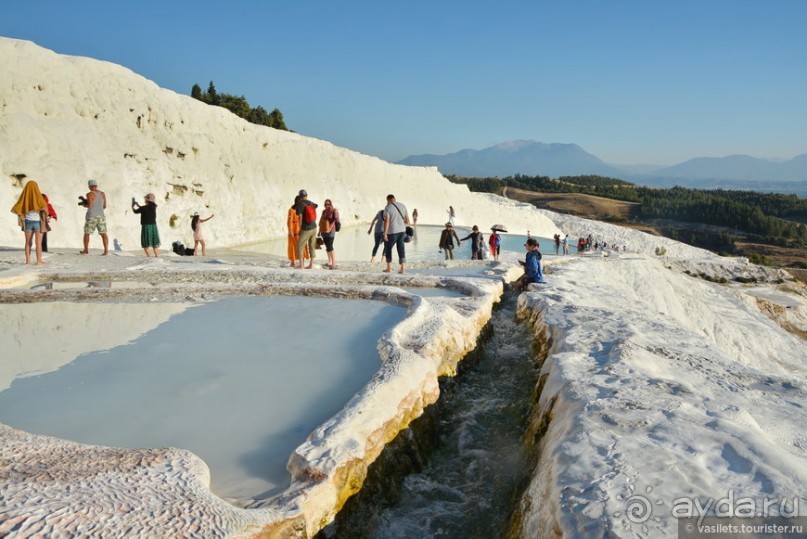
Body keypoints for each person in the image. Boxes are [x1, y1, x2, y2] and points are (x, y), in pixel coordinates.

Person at [11, 180, 48, 265]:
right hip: (38, 222)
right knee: (38, 243)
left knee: (28, 242)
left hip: (28, 222)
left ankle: (28, 261)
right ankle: (39, 261)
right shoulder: (39, 198)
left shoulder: (24, 198)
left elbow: (17, 209)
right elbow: (46, 211)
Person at [382, 193, 410, 274]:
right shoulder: (403, 206)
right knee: (401, 249)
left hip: (392, 232)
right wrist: (401, 225)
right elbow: (408, 221)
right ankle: (403, 269)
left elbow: (386, 221)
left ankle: (389, 268)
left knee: (388, 248)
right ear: (395, 199)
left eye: (387, 201)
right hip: (402, 231)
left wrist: (385, 233)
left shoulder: (388, 207)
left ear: (388, 200)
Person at [80, 179, 109, 255]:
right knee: (103, 233)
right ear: (96, 186)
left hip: (92, 216)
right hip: (101, 216)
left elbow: (90, 205)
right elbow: (105, 206)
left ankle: (86, 250)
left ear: (89, 186)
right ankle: (106, 251)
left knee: (87, 233)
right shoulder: (102, 193)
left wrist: (84, 205)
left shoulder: (89, 194)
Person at [295, 189, 318, 269]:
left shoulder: (299, 204)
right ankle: (311, 264)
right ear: (306, 195)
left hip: (306, 228)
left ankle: (301, 265)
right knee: (311, 246)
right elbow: (316, 206)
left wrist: (300, 228)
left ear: (299, 196)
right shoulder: (310, 202)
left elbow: (300, 217)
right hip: (314, 227)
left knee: (299, 246)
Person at [287, 196, 309, 267]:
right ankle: (293, 262)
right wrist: (290, 230)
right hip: (294, 232)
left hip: (301, 231)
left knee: (300, 246)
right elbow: (289, 221)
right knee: (293, 246)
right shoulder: (291, 210)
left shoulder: (301, 210)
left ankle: (300, 262)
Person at [319, 198, 340, 269]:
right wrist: (319, 231)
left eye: (328, 204)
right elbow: (321, 221)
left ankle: (334, 262)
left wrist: (330, 228)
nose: (326, 205)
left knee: (330, 246)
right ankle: (329, 261)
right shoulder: (324, 212)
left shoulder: (334, 211)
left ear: (330, 204)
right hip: (324, 231)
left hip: (331, 231)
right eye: (325, 204)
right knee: (327, 246)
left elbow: (335, 220)